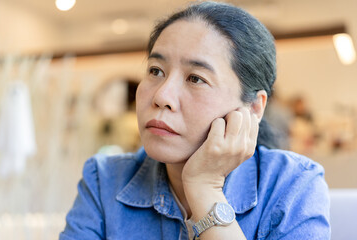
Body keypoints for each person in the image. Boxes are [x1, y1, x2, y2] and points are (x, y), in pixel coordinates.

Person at [59, 1, 330, 239]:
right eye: (155, 70)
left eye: (196, 78)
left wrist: (205, 188)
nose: (162, 95)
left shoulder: (294, 185)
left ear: (254, 108)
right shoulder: (104, 180)